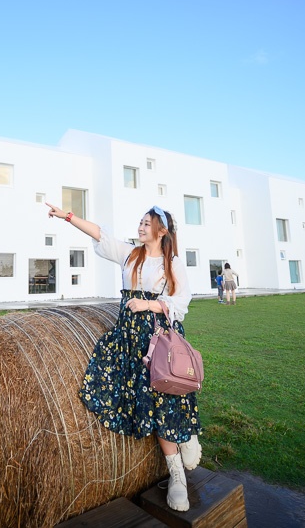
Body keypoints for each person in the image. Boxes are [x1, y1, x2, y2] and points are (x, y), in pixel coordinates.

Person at [46, 202, 202, 512]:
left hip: (159, 338)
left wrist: (150, 305)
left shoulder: (172, 262)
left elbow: (182, 300)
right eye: (141, 222)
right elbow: (100, 235)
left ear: (161, 230)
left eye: (147, 223)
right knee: (140, 397)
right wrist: (68, 216)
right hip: (129, 338)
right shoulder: (131, 254)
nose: (141, 227)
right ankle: (183, 444)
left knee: (164, 394)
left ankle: (179, 472)